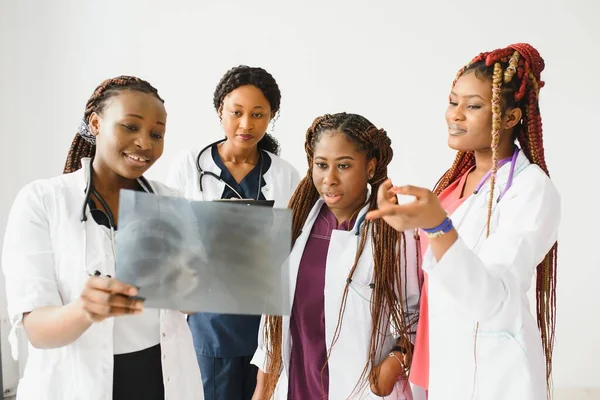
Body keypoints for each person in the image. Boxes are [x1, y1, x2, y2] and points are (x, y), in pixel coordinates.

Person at [367, 43, 560, 400]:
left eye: (472, 106)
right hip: (438, 361)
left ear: (510, 117)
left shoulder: (531, 190)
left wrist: (438, 226)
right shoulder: (457, 184)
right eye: (453, 101)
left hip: (492, 376)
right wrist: (407, 225)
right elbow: (437, 269)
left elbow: (491, 297)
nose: (455, 115)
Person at [2, 76, 204, 400]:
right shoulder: (42, 201)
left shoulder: (173, 203)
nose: (144, 143)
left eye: (157, 134)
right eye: (130, 127)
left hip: (162, 380)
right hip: (75, 385)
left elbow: (186, 305)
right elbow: (36, 328)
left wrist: (203, 283)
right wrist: (83, 309)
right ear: (96, 123)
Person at [252, 112, 420, 400]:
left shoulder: (393, 230)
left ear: (370, 167)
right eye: (321, 165)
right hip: (297, 388)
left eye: (343, 166)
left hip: (361, 390)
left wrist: (393, 365)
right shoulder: (295, 226)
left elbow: (414, 316)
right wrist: (260, 393)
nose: (329, 179)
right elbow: (272, 325)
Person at [167, 65, 300, 400]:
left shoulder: (285, 175)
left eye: (258, 114)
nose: (246, 124)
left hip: (266, 320)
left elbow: (293, 247)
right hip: (210, 320)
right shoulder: (189, 165)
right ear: (219, 112)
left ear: (272, 116)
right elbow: (169, 239)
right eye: (236, 112)